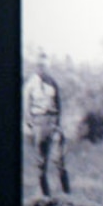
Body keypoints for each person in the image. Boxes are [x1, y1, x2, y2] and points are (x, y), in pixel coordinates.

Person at [24, 58, 69, 196]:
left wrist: (57, 123)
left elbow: (58, 104)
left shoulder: (52, 82)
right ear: (35, 67)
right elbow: (26, 107)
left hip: (52, 121)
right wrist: (31, 124)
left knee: (59, 159)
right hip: (39, 121)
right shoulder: (30, 85)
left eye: (43, 66)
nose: (41, 68)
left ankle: (67, 193)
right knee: (41, 162)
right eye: (38, 66)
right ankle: (45, 196)